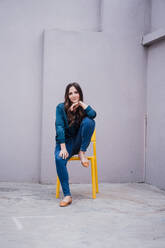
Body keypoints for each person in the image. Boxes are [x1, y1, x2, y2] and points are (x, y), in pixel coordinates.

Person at [54, 82, 96, 207]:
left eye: (76, 92)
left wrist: (81, 104)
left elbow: (93, 114)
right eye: (70, 93)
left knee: (90, 121)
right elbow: (59, 127)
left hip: (78, 144)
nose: (73, 95)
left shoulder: (82, 109)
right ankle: (67, 195)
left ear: (80, 94)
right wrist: (62, 147)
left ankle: (82, 152)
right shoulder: (61, 108)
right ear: (67, 95)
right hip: (65, 143)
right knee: (59, 159)